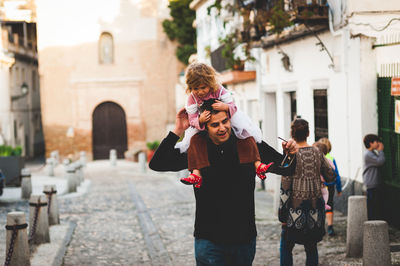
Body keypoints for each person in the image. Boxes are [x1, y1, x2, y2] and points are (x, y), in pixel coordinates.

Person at [149, 106, 298, 265]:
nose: (222, 128)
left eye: (225, 121)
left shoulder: (248, 143)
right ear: (205, 127)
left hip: (243, 238)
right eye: (214, 125)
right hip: (208, 239)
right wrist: (178, 129)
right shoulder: (197, 148)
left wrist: (291, 154)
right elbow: (158, 163)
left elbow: (285, 168)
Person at [176, 62, 272, 187]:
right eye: (196, 88)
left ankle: (258, 164)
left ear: (210, 83)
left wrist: (225, 106)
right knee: (195, 142)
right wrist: (200, 120)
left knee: (246, 135)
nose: (200, 92)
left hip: (227, 117)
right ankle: (196, 173)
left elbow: (233, 106)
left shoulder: (219, 89)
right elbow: (192, 119)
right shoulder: (191, 98)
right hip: (204, 124)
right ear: (190, 87)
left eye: (203, 87)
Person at [279, 119, 335, 266]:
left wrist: (282, 213)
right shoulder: (317, 152)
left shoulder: (290, 155)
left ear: (292, 134)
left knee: (286, 247)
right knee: (311, 248)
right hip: (314, 210)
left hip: (293, 210)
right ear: (308, 133)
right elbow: (331, 175)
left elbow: (285, 186)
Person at [317, 137, 342, 236]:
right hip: (330, 185)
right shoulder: (331, 158)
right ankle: (330, 227)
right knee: (329, 205)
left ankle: (320, 226)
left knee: (319, 205)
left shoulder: (315, 157)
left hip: (319, 185)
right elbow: (337, 175)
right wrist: (339, 188)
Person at [362, 134, 385, 220]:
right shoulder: (368, 154)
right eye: (377, 142)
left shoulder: (371, 153)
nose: (378, 143)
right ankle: (372, 222)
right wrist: (381, 151)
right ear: (371, 143)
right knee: (372, 205)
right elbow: (380, 162)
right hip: (371, 183)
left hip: (374, 182)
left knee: (375, 204)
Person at [312, 142, 333, 212]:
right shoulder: (327, 160)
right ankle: (325, 204)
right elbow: (333, 167)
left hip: (314, 182)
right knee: (325, 193)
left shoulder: (313, 160)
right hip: (322, 183)